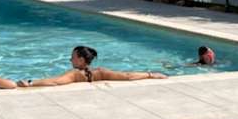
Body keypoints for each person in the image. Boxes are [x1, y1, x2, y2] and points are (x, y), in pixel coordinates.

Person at [17, 46, 167, 87]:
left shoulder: (75, 74)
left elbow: (56, 82)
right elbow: (127, 76)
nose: (70, 60)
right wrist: (150, 74)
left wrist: (31, 82)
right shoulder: (101, 72)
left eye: (72, 57)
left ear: (81, 60)